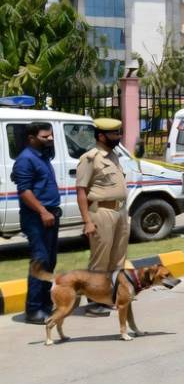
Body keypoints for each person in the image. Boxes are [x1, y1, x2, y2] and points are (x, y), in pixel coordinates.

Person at [75, 117, 129, 316]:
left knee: (118, 259)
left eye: (118, 133)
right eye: (114, 134)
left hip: (120, 212)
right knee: (100, 260)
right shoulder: (90, 158)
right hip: (101, 212)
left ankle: (111, 296)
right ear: (101, 136)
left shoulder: (113, 156)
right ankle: (95, 302)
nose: (118, 137)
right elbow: (81, 191)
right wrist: (87, 221)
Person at [14, 122, 61, 325]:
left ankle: (45, 304)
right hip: (36, 217)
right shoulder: (25, 160)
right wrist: (42, 211)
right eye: (45, 137)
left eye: (50, 136)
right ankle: (33, 309)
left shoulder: (42, 156)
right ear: (31, 138)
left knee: (50, 261)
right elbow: (24, 191)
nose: (50, 139)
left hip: (51, 215)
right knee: (40, 259)